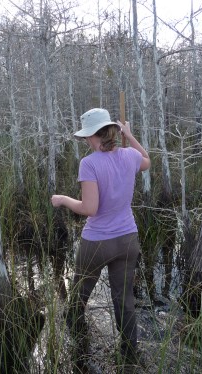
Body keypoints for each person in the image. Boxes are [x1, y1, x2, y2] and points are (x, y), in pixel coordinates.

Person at [51, 108, 150, 371]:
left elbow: (89, 208)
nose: (85, 141)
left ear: (94, 136)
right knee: (124, 300)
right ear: (113, 132)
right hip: (128, 240)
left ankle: (77, 348)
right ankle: (130, 355)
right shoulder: (130, 155)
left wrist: (62, 200)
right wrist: (130, 135)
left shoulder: (89, 163)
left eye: (86, 136)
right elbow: (147, 160)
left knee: (78, 299)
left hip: (97, 243)